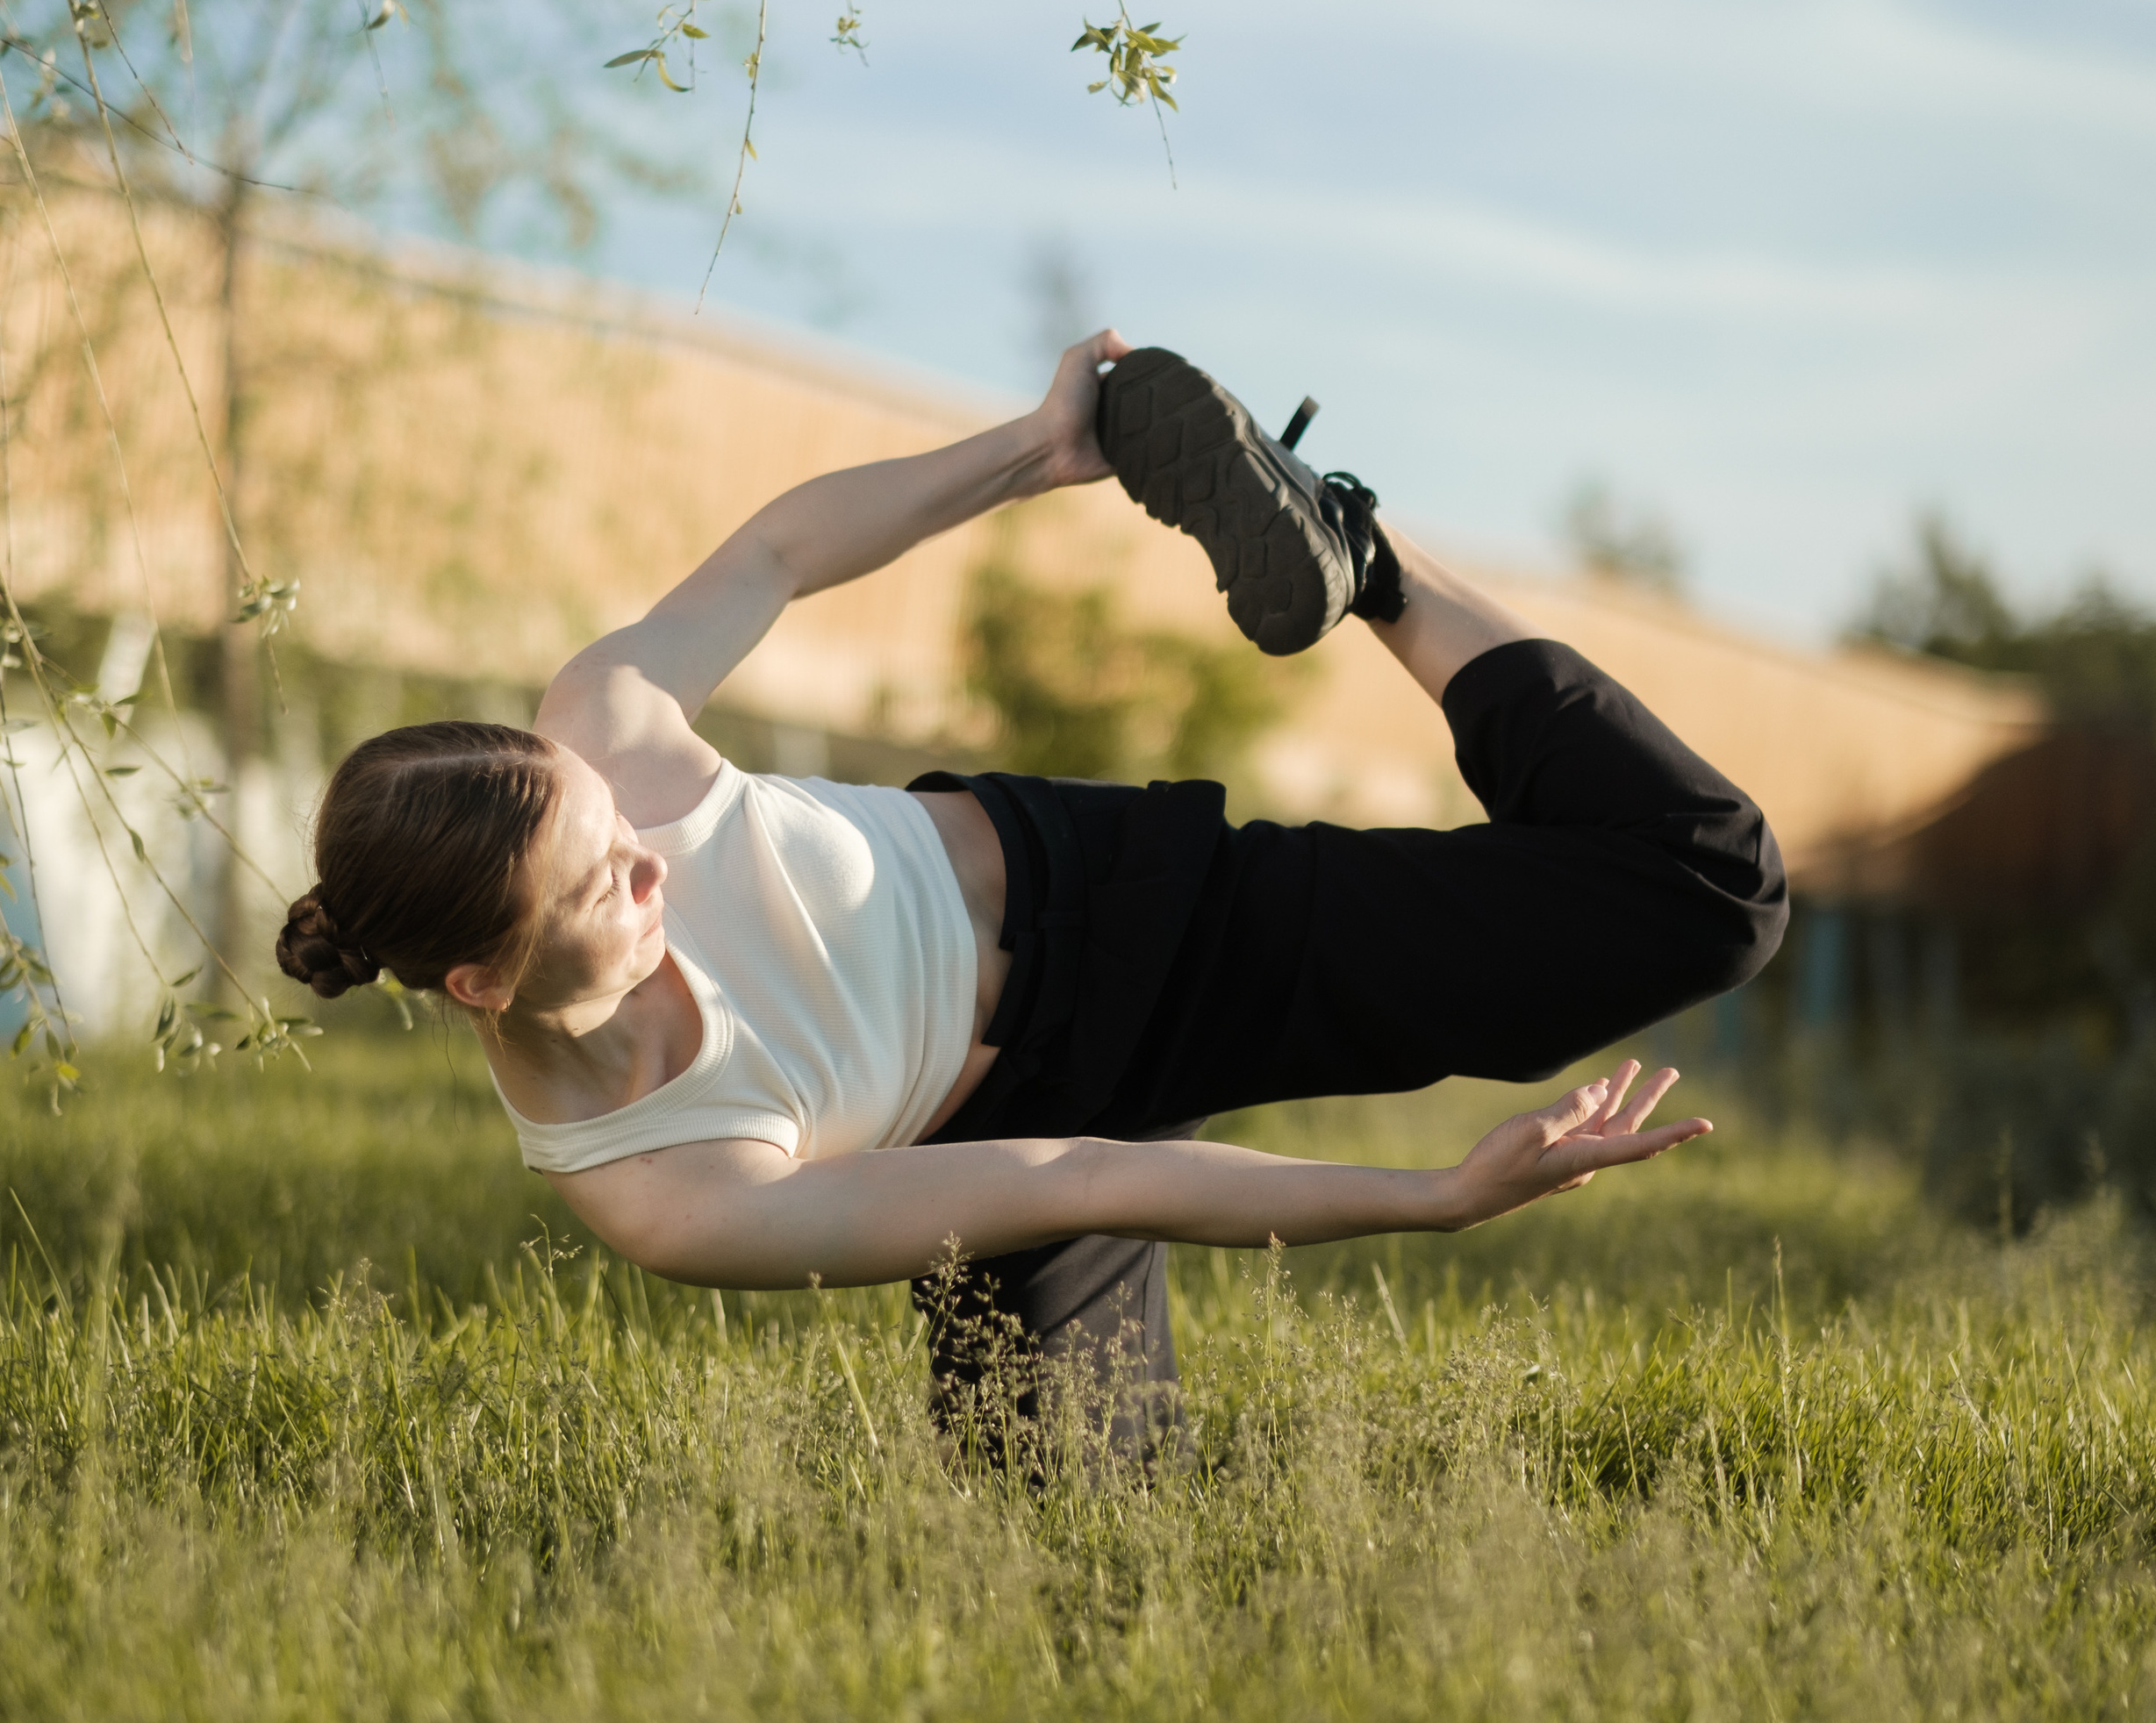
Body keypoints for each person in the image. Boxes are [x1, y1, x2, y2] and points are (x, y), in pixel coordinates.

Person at [276, 332, 1787, 1436]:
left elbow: (782, 551)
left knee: (1709, 888)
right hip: (1011, 1139)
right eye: (603, 882)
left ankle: (1364, 555)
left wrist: (1034, 451)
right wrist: (1438, 1198)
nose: (648, 854)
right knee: (1082, 1560)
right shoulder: (671, 1190)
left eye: (618, 822)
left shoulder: (600, 724)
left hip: (1147, 913)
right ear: (481, 980)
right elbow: (1087, 1172)